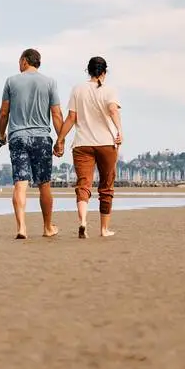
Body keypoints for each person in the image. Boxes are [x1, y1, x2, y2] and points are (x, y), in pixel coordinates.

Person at [0, 48, 63, 240]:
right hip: (41, 138)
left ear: (25, 61)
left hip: (18, 137)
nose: (19, 65)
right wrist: (60, 140)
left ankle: (22, 228)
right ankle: (47, 227)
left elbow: (3, 112)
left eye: (19, 61)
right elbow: (57, 114)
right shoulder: (50, 82)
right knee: (44, 184)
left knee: (20, 183)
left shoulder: (11, 81)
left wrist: (2, 134)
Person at [54, 56, 122, 239]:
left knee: (83, 184)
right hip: (106, 143)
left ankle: (83, 221)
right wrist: (119, 130)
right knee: (106, 187)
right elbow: (113, 110)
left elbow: (71, 118)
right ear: (104, 72)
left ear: (89, 71)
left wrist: (60, 139)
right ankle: (104, 229)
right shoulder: (109, 90)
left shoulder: (78, 89)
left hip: (82, 144)